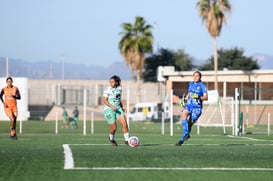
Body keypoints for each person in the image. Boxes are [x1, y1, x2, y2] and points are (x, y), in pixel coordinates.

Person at [176, 71, 208, 146]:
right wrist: (183, 100)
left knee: (189, 124)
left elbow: (206, 97)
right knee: (184, 114)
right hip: (189, 105)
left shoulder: (202, 86)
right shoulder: (190, 84)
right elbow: (189, 95)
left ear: (200, 77)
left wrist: (199, 97)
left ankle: (182, 140)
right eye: (194, 76)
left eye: (197, 76)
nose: (195, 77)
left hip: (197, 108)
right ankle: (186, 133)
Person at [103, 75, 130, 146]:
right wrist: (112, 106)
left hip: (118, 109)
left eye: (112, 82)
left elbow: (118, 99)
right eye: (110, 82)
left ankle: (127, 141)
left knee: (125, 124)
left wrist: (122, 107)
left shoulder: (120, 89)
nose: (110, 83)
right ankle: (111, 138)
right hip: (109, 110)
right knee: (114, 127)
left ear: (117, 82)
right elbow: (104, 100)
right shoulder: (107, 89)